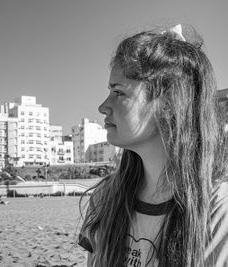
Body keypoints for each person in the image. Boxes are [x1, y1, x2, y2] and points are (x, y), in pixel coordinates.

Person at [79, 24, 228, 266]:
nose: (103, 106)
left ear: (169, 102)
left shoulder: (218, 209)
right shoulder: (105, 199)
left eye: (119, 92)